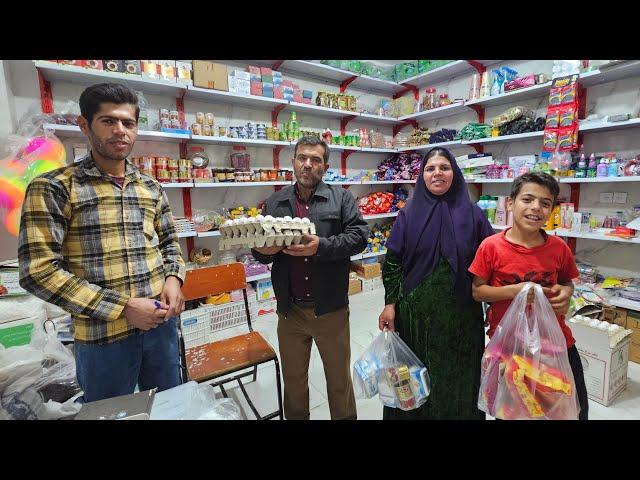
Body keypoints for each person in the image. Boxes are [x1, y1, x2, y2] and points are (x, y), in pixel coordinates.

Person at [18, 83, 186, 403]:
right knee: (110, 411)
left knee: (170, 406)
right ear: (85, 125)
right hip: (103, 339)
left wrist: (175, 278)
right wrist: (123, 307)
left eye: (128, 123)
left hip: (161, 326)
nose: (120, 131)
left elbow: (169, 242)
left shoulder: (151, 187)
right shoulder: (54, 188)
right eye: (108, 121)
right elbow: (37, 271)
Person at [251, 136, 369, 420]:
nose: (308, 164)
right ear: (293, 162)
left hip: (330, 309)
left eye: (316, 160)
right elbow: (260, 252)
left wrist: (322, 246)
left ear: (325, 166)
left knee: (339, 383)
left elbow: (359, 237)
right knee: (293, 384)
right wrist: (264, 251)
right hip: (290, 312)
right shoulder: (275, 203)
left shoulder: (341, 198)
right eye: (302, 158)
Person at [378, 147, 494, 420]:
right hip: (415, 320)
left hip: (462, 318)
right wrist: (390, 304)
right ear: (422, 176)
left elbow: (490, 263)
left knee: (459, 378)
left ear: (455, 173)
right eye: (430, 169)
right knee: (416, 378)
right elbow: (393, 262)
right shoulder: (408, 214)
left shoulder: (474, 215)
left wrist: (492, 302)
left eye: (444, 167)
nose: (437, 173)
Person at [469, 171, 588, 420]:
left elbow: (567, 281)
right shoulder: (491, 247)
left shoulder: (559, 248)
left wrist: (566, 291)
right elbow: (477, 291)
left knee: (567, 409)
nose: (536, 208)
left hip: (556, 345)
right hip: (509, 349)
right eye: (528, 200)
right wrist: (515, 291)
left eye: (545, 203)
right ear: (510, 203)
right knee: (513, 412)